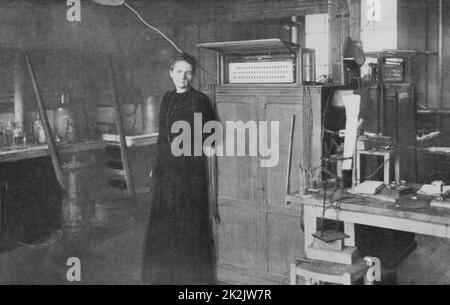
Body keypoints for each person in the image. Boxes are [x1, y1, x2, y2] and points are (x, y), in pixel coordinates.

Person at [142, 52, 218, 285]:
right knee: (165, 224)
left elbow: (211, 137)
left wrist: (203, 147)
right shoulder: (166, 98)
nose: (183, 77)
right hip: (166, 170)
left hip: (190, 171)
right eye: (178, 72)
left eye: (188, 72)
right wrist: (156, 166)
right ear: (171, 74)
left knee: (189, 224)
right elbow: (162, 137)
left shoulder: (200, 100)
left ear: (192, 75)